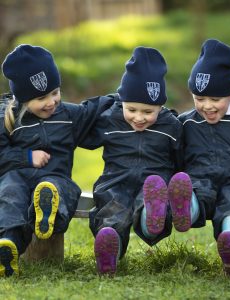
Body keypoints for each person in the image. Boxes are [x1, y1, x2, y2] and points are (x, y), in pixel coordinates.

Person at [80, 46, 193, 275]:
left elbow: (180, 157)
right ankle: (109, 250)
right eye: (131, 109)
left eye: (148, 112)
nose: (139, 118)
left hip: (154, 182)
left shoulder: (170, 126)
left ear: (160, 106)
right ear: (121, 101)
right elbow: (81, 132)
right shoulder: (110, 119)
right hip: (115, 180)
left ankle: (151, 221)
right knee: (112, 211)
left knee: (152, 201)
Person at [0, 44, 109, 277]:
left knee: (61, 189)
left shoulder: (68, 116)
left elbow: (94, 111)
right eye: (41, 97)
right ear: (24, 99)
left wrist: (127, 96)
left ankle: (47, 212)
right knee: (10, 195)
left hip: (54, 177)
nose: (51, 102)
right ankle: (7, 245)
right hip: (16, 177)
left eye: (55, 92)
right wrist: (27, 157)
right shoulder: (7, 118)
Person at [178, 39, 230, 276]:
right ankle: (186, 209)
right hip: (199, 177)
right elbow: (177, 151)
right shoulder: (186, 121)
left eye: (215, 100)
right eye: (199, 98)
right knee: (196, 191)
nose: (207, 106)